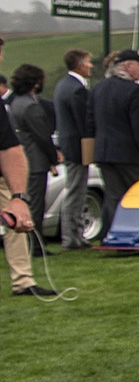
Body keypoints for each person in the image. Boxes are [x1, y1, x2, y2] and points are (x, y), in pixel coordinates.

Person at [0, 53, 49, 299]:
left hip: (2, 176)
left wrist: (19, 196)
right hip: (35, 160)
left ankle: (23, 279)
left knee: (15, 225)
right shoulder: (27, 105)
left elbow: (10, 145)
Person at [91, 49, 139, 216]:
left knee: (113, 198)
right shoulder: (134, 90)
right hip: (129, 156)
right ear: (128, 66)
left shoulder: (98, 88)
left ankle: (111, 236)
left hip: (104, 154)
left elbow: (90, 122)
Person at [7, 64, 53, 254]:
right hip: (35, 161)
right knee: (36, 204)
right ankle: (35, 244)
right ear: (35, 84)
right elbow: (42, 135)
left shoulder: (15, 103)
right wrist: (53, 156)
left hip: (23, 158)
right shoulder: (31, 106)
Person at [52, 49, 94, 248]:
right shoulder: (76, 89)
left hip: (68, 145)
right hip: (77, 148)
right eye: (88, 62)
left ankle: (76, 236)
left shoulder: (63, 85)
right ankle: (71, 238)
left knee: (76, 191)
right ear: (79, 65)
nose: (91, 66)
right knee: (76, 193)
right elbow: (83, 122)